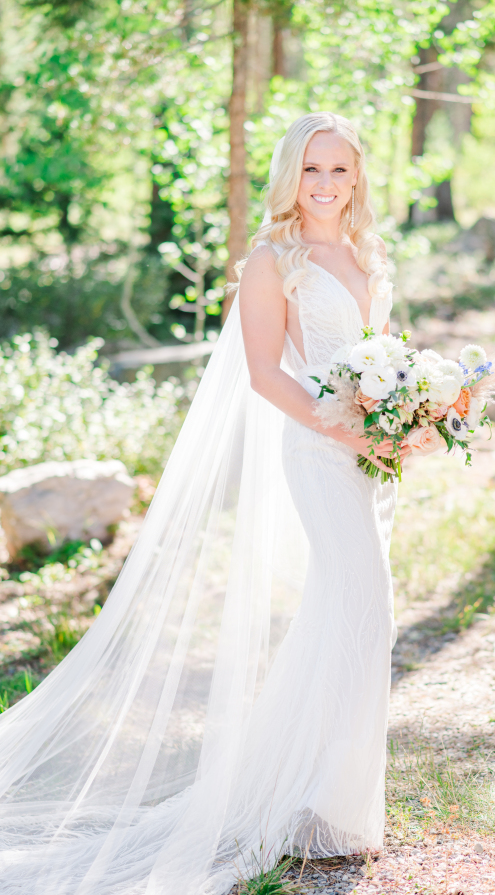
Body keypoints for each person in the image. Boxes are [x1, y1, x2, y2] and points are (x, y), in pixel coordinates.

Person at [0, 112, 409, 895]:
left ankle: (325, 805)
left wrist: (410, 419)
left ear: (358, 178)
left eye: (341, 171)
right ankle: (306, 806)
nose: (326, 185)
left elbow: (379, 357)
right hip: (320, 453)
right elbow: (266, 375)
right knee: (363, 607)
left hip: (366, 455)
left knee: (353, 615)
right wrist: (354, 437)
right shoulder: (271, 262)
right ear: (291, 175)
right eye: (312, 170)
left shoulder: (366, 253)